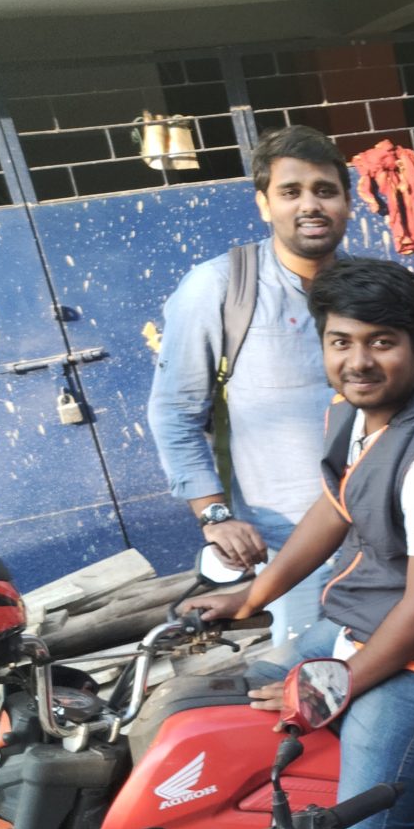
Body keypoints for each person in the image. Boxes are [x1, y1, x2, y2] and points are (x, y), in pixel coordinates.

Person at [183, 257, 414, 829]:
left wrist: (327, 691)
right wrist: (252, 596)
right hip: (359, 622)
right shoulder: (355, 410)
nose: (358, 362)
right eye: (341, 342)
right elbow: (334, 507)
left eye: (381, 342)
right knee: (233, 699)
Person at [147, 125, 351, 643]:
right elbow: (174, 413)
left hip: (384, 532)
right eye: (291, 192)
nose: (310, 205)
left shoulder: (368, 288)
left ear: (347, 202)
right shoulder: (220, 287)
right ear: (264, 205)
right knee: (310, 672)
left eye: (325, 190)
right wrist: (214, 516)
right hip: (289, 546)